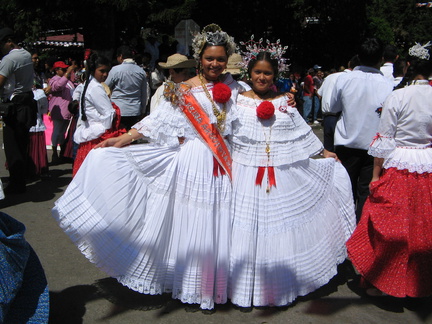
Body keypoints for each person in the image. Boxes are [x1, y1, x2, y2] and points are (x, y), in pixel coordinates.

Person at [52, 24, 239, 310]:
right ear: (199, 58)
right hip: (193, 160)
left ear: (228, 60)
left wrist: (282, 99)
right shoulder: (183, 90)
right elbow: (158, 120)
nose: (215, 64)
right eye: (209, 58)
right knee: (193, 222)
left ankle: (216, 284)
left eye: (220, 59)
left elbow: (256, 109)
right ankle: (190, 284)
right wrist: (124, 138)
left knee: (219, 221)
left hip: (225, 163)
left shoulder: (238, 87)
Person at [228, 45, 356, 308]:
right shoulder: (237, 100)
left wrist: (323, 152)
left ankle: (276, 285)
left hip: (279, 175)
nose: (261, 78)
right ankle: (242, 285)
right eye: (257, 73)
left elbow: (301, 131)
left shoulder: (285, 102)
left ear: (275, 76)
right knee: (245, 230)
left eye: (267, 74)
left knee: (276, 228)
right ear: (249, 73)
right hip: (244, 174)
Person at [346, 42, 432, 298]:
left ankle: (385, 278)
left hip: (399, 167)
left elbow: (384, 141)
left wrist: (375, 178)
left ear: (407, 66)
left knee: (391, 227)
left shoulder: (398, 96)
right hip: (428, 166)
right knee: (422, 228)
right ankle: (419, 285)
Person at [329, 38, 394, 220]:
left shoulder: (345, 79)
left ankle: (343, 229)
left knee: (344, 191)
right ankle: (361, 233)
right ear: (380, 59)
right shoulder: (388, 84)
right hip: (373, 146)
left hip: (347, 142)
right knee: (366, 192)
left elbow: (332, 108)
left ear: (358, 56)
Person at [72, 53, 124, 176]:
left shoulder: (87, 84)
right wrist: (106, 130)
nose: (105, 74)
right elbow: (109, 114)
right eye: (102, 71)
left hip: (89, 132)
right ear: (93, 69)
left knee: (87, 175)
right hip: (97, 137)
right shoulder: (96, 88)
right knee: (97, 175)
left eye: (107, 71)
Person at [0, 27, 37, 194]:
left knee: (12, 146)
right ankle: (22, 179)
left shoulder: (10, 59)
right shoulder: (26, 54)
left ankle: (16, 183)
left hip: (15, 105)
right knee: (22, 144)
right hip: (27, 102)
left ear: (9, 42)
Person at [318, 55, 360, 152]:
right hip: (340, 117)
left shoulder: (330, 77)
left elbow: (319, 93)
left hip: (327, 116)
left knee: (328, 151)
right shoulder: (351, 79)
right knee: (341, 153)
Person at [105, 45, 148, 130]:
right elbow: (144, 94)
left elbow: (105, 87)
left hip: (118, 109)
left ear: (120, 56)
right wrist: (143, 110)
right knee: (131, 138)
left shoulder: (115, 70)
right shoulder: (141, 71)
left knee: (118, 137)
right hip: (135, 110)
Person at [48, 60, 76, 164]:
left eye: (66, 69)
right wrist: (67, 74)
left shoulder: (68, 81)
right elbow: (57, 86)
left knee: (63, 132)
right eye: (63, 69)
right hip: (59, 110)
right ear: (57, 70)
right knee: (57, 131)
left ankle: (62, 152)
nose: (65, 71)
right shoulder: (54, 80)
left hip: (67, 110)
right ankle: (54, 153)